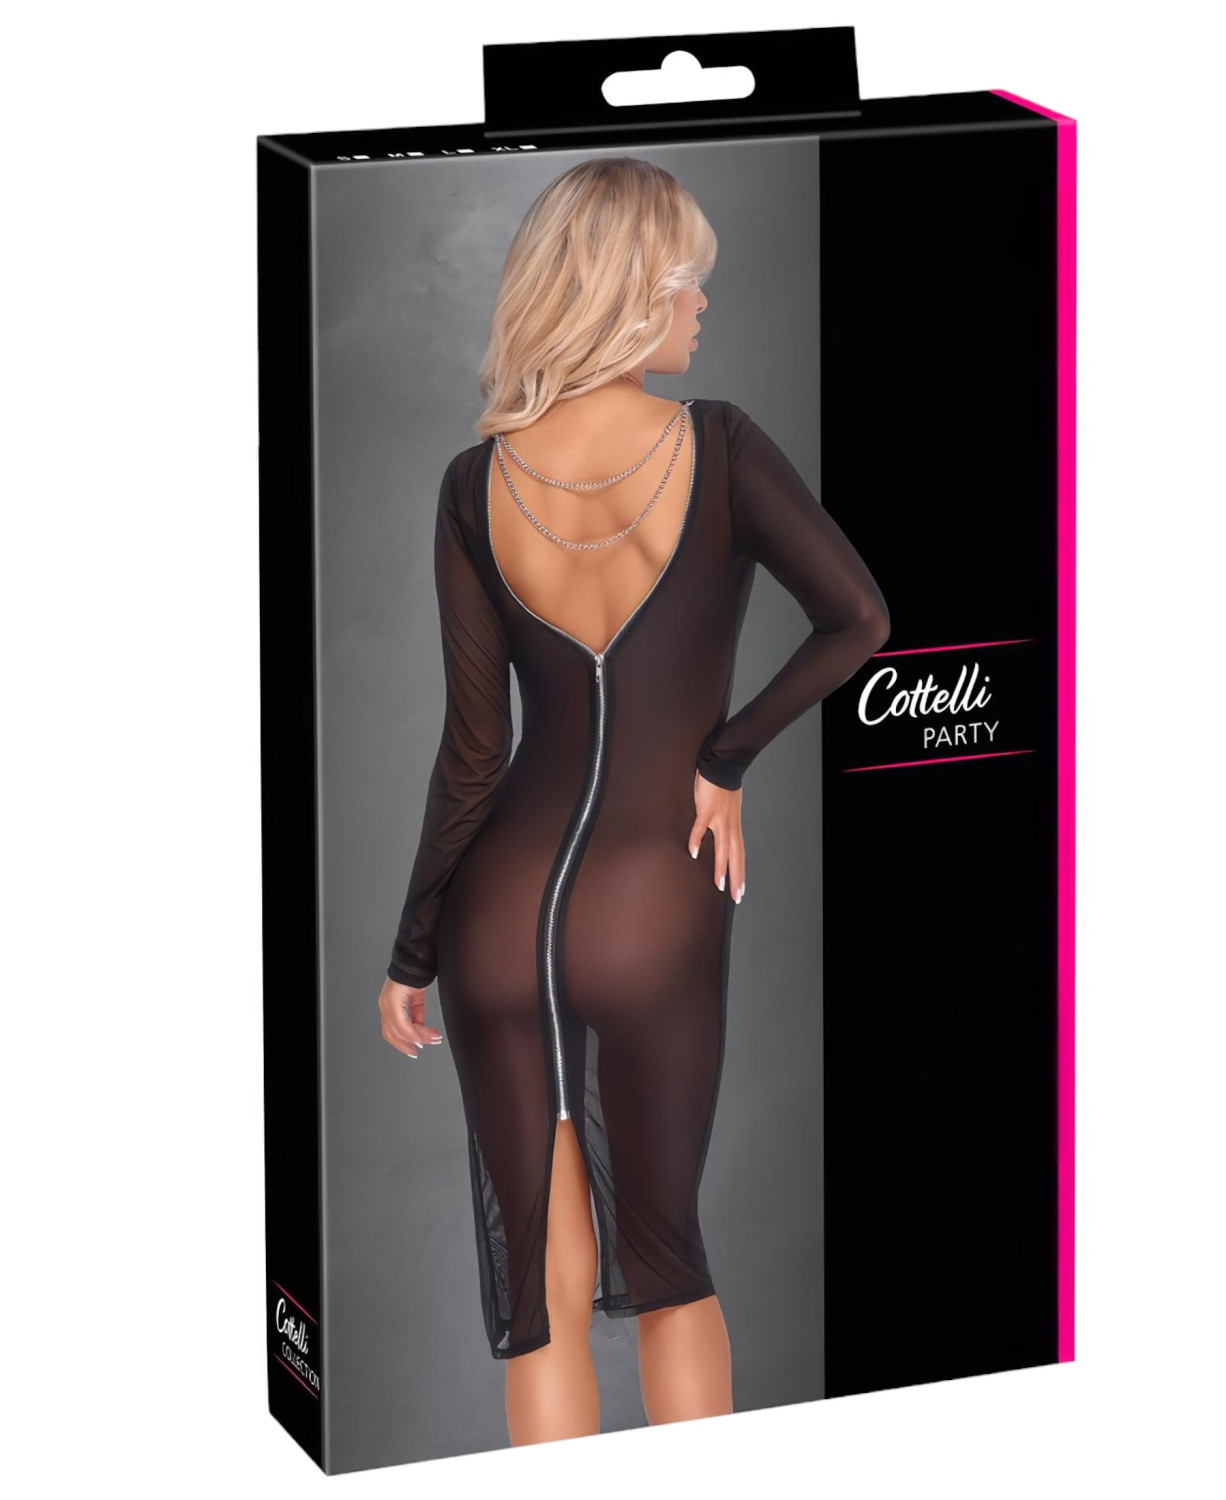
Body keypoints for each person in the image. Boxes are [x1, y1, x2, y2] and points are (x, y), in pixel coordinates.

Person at [376, 156, 890, 1445]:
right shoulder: (719, 444)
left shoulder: (472, 484)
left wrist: (411, 952)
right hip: (652, 902)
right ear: (630, 292)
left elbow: (474, 752)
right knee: (668, 1270)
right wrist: (726, 759)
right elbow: (859, 619)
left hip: (495, 921)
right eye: (686, 283)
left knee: (543, 1307)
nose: (703, 306)